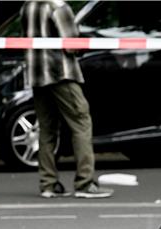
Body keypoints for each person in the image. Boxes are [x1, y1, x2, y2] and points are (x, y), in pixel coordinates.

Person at [20, 0, 112, 199]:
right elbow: (71, 44)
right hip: (61, 73)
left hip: (36, 74)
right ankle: (85, 182)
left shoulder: (28, 6)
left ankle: (48, 184)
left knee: (47, 128)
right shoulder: (58, 7)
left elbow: (24, 39)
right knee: (81, 122)